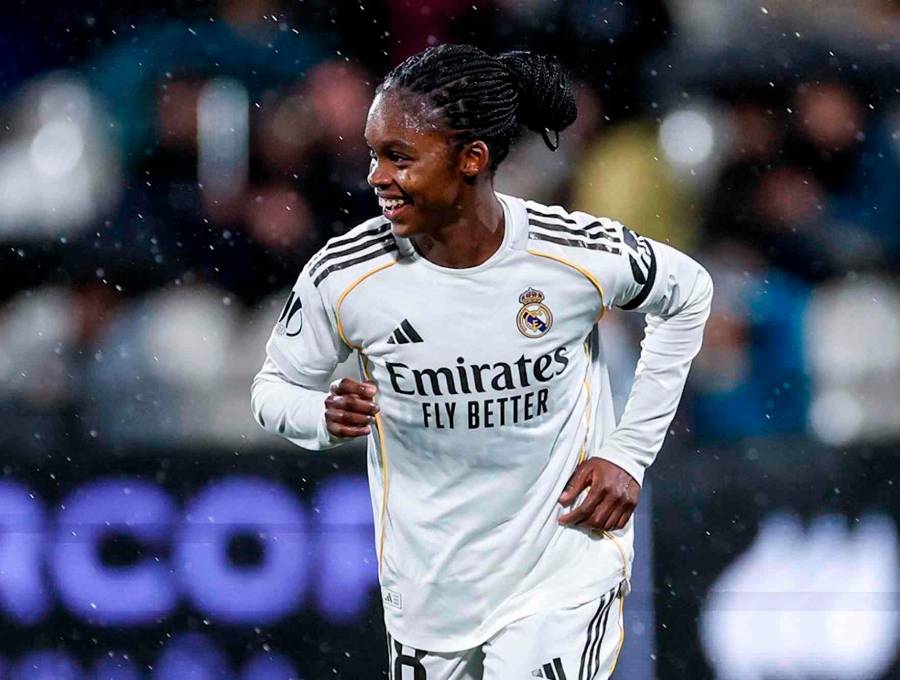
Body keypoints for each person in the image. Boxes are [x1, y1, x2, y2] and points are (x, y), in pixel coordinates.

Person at [251, 44, 713, 680]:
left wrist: (629, 452)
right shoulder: (346, 275)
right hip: (429, 589)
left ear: (471, 160)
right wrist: (319, 415)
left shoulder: (567, 254)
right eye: (373, 154)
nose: (376, 177)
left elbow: (688, 293)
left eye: (399, 157)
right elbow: (272, 390)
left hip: (558, 572)